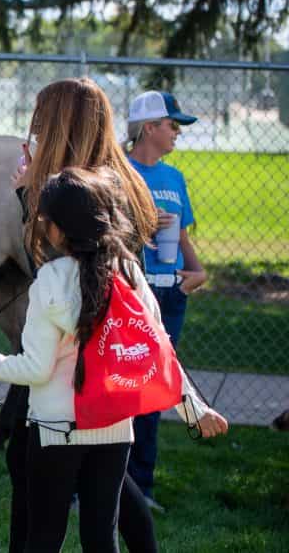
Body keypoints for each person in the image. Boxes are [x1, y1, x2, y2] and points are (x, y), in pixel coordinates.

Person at [0, 168, 228, 552]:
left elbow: (35, 369)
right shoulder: (130, 272)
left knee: (44, 537)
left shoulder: (49, 279)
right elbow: (158, 350)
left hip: (54, 430)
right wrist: (194, 409)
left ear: (54, 228)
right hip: (115, 426)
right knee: (102, 536)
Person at [7, 77, 162, 553]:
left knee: (41, 459)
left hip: (75, 348)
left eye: (41, 115)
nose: (33, 125)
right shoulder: (111, 177)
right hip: (86, 344)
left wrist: (26, 197)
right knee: (98, 466)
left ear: (61, 121)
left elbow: (52, 268)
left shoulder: (84, 187)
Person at [125, 90, 207, 508]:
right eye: (173, 125)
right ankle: (111, 481)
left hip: (170, 292)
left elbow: (184, 234)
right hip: (132, 291)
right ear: (149, 127)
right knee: (122, 385)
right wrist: (143, 223)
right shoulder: (120, 171)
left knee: (153, 391)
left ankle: (143, 488)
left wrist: (198, 272)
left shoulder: (174, 178)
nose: (177, 133)